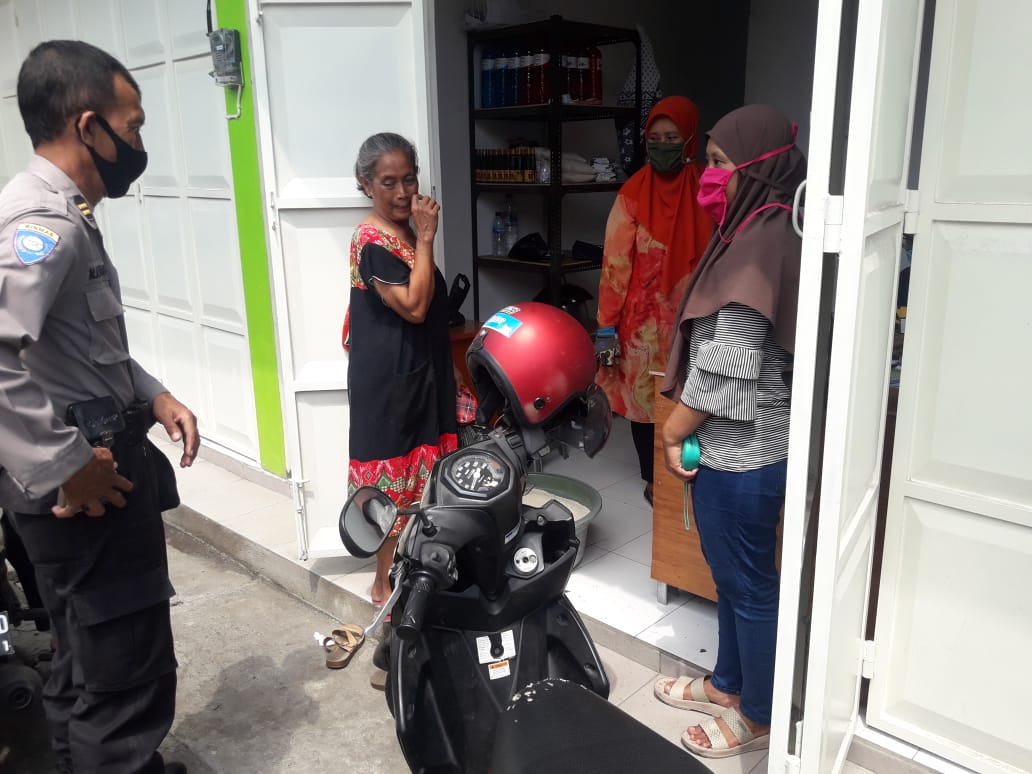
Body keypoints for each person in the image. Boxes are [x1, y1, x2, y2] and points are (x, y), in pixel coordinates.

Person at [0, 41, 199, 773]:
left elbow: (77, 347)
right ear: (89, 126)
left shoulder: (58, 213)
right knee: (124, 677)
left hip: (83, 472)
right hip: (85, 490)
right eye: (133, 126)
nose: (138, 144)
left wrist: (153, 393)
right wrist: (67, 466)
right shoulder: (44, 227)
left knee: (82, 660)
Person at [653, 104, 806, 758]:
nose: (707, 175)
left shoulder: (762, 243)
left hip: (749, 455)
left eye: (719, 163)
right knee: (730, 576)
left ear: (759, 167)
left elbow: (728, 364)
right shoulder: (749, 231)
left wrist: (671, 432)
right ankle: (726, 684)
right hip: (728, 448)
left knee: (749, 586)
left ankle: (759, 713)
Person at [344, 133, 457, 608]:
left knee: (424, 478)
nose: (402, 192)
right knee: (391, 482)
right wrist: (428, 237)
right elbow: (414, 306)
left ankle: (419, 572)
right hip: (389, 385)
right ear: (365, 184)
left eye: (409, 179)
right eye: (388, 182)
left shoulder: (404, 234)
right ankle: (383, 583)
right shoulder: (373, 241)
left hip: (421, 373)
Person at [595, 96, 712, 506]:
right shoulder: (633, 193)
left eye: (672, 137)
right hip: (641, 326)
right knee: (645, 402)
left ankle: (692, 470)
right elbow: (614, 266)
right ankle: (652, 479)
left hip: (696, 319)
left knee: (695, 394)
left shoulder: (710, 190)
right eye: (655, 138)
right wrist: (606, 327)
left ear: (690, 139)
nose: (663, 146)